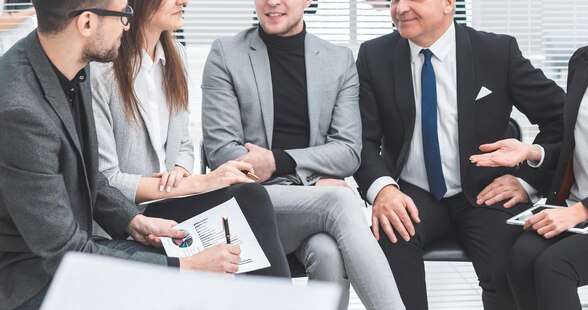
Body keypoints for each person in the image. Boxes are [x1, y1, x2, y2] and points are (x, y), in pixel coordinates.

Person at [0, 1, 248, 309]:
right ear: (87, 24)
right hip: (35, 279)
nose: (128, 25)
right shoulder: (21, 112)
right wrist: (188, 269)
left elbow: (90, 177)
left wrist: (132, 220)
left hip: (76, 251)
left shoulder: (69, 66)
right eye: (123, 15)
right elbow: (66, 253)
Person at [353, 0, 565, 308]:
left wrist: (528, 181)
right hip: (412, 192)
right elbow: (361, 139)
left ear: (449, 3)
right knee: (390, 236)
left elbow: (562, 118)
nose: (401, 8)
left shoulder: (497, 52)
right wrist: (383, 190)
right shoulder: (374, 56)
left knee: (510, 270)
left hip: (486, 193)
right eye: (395, 0)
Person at [202, 0, 404, 309]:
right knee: (340, 199)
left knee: (328, 255)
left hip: (307, 209)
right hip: (249, 203)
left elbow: (348, 150)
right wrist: (311, 183)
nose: (272, 2)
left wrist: (278, 162)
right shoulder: (227, 55)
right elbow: (222, 154)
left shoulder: (339, 60)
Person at [90, 0, 290, 278]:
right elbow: (106, 180)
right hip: (126, 215)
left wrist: (181, 170)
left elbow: (183, 143)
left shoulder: (177, 56)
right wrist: (200, 182)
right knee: (249, 198)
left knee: (248, 202)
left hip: (170, 203)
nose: (183, 1)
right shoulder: (102, 70)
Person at [469, 0, 588, 308]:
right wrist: (532, 151)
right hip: (574, 204)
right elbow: (579, 146)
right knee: (519, 258)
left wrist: (580, 212)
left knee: (553, 265)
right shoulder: (583, 60)